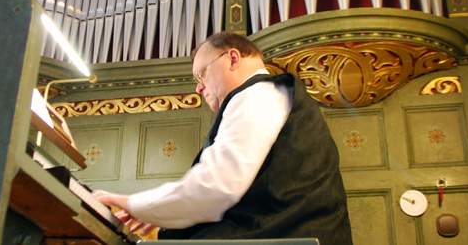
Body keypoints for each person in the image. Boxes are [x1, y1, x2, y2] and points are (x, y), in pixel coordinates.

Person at [95, 32, 353, 245]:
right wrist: (164, 218)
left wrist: (131, 203)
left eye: (201, 75)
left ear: (232, 58)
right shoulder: (267, 95)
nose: (198, 88)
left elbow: (215, 188)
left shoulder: (258, 94)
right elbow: (240, 197)